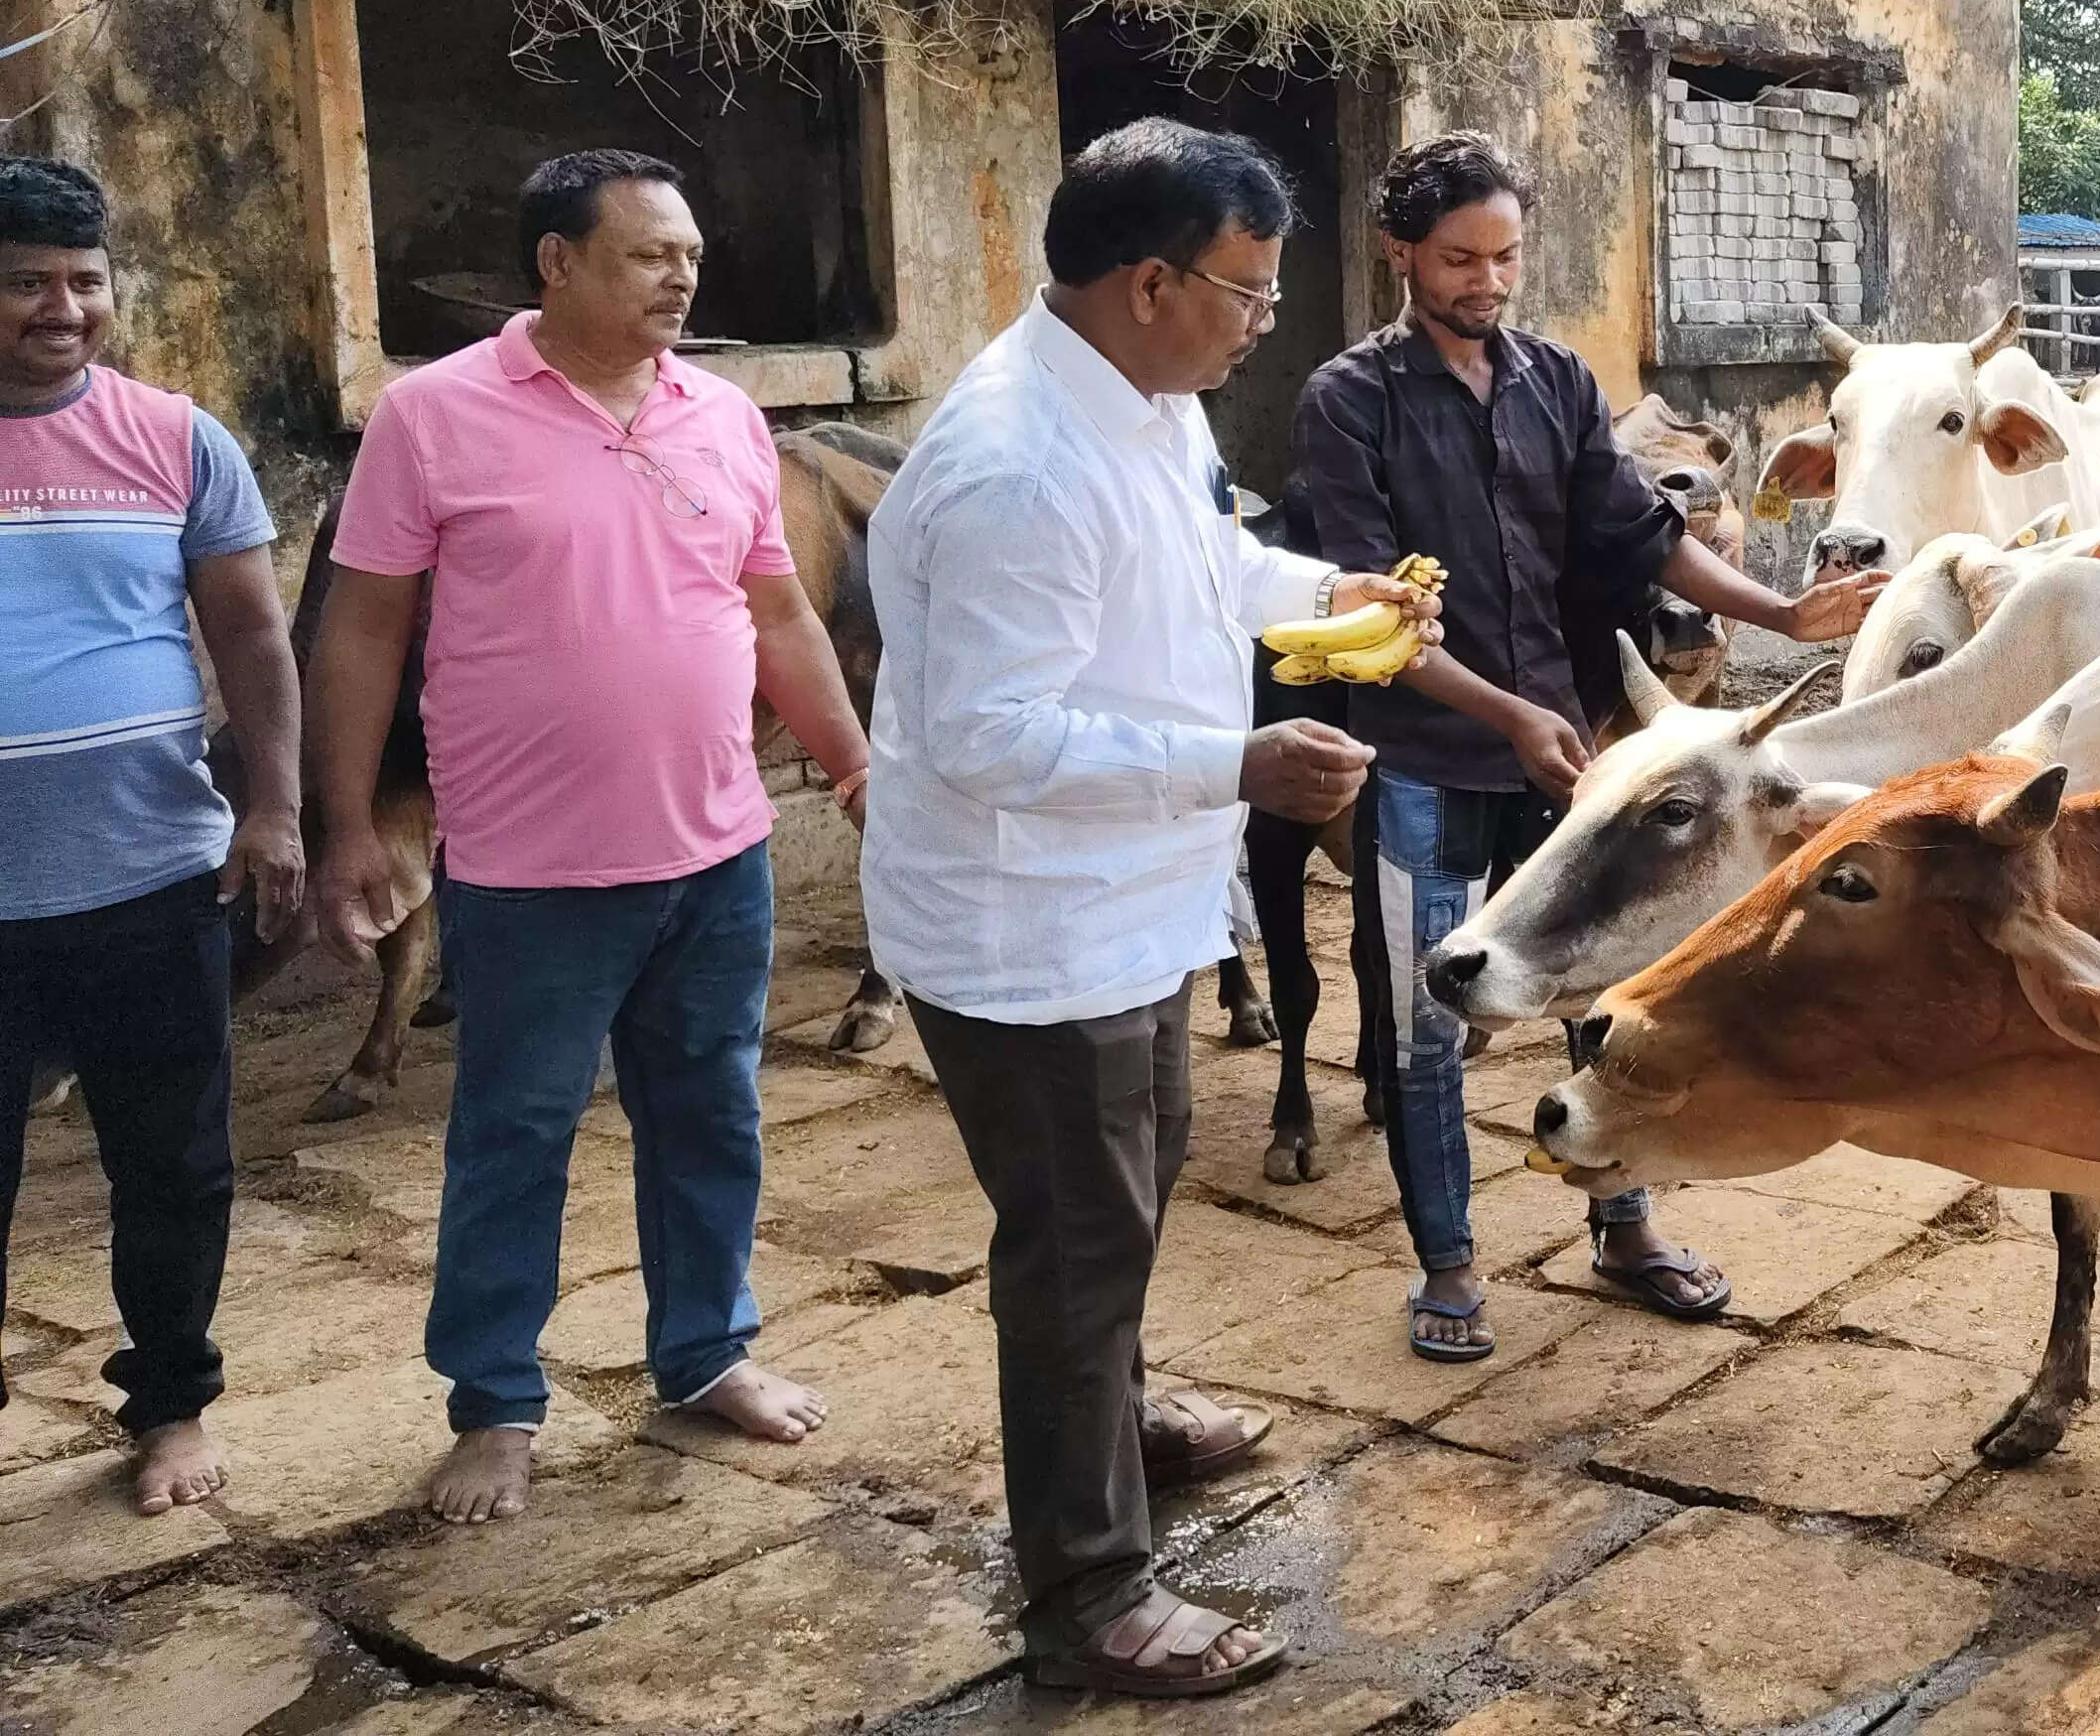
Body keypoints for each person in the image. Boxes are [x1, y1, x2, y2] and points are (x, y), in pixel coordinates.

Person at [862, 118, 1426, 1700]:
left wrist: (1328, 596)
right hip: (1031, 927)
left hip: (1127, 903)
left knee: (1132, 1189)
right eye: (1246, 292)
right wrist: (1235, 761)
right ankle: (1092, 1593)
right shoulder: (1015, 467)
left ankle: (1114, 1414)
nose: (1264, 321)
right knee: (1073, 1245)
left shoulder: (1146, 405)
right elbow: (991, 734)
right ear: (1148, 281)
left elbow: (1202, 566)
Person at [310, 149, 871, 1524]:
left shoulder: (724, 418)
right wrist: (342, 826)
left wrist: (858, 769)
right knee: (515, 1136)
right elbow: (364, 627)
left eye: (688, 254)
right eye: (646, 254)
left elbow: (780, 615)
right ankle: (496, 1403)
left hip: (718, 852)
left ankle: (704, 1352)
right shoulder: (433, 419)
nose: (682, 275)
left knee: (710, 1118)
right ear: (556, 262)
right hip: (530, 871)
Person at [1295, 130, 1886, 1361]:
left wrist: (1778, 612)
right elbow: (1365, 619)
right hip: (1427, 758)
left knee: (1604, 995)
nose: (1488, 282)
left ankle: (1622, 1224)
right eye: (1460, 258)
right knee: (1426, 1025)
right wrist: (1507, 711)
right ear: (1401, 251)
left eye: (1506, 256)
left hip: (1570, 766)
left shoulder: (1556, 381)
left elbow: (1638, 538)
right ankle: (1449, 1266)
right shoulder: (1347, 401)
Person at [0, 155, 302, 1517]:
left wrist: (278, 809)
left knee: (174, 1165)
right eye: (22, 284)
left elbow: (249, 633)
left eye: (83, 281)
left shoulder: (176, 438)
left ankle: (170, 1403)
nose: (60, 309)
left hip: (149, 880)